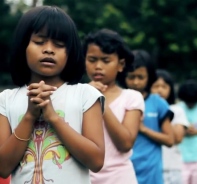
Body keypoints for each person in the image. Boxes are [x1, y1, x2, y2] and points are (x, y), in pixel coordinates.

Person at [0, 6, 105, 184]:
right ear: (23, 46)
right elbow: (3, 168)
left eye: (59, 45)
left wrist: (53, 117)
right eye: (39, 42)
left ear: (70, 53)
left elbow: (96, 161)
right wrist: (29, 116)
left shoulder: (85, 95)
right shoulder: (5, 100)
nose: (49, 49)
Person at [83, 29, 144, 184]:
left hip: (120, 178)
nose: (98, 66)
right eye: (92, 59)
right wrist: (85, 94)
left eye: (106, 60)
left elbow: (125, 143)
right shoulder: (78, 95)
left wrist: (99, 101)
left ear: (120, 65)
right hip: (84, 177)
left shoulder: (132, 97)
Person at [125, 50, 174, 184]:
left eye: (141, 77)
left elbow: (170, 140)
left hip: (151, 174)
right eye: (131, 77)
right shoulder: (117, 100)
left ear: (149, 77)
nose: (136, 82)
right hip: (123, 172)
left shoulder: (158, 103)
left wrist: (143, 129)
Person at [151, 69, 189, 184]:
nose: (159, 90)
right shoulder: (144, 109)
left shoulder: (177, 110)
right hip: (151, 167)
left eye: (164, 86)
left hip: (172, 168)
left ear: (170, 89)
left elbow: (178, 138)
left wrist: (163, 112)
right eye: (156, 86)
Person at [177, 80, 197, 184]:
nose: (190, 104)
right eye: (188, 102)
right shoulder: (178, 108)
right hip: (181, 158)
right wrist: (184, 131)